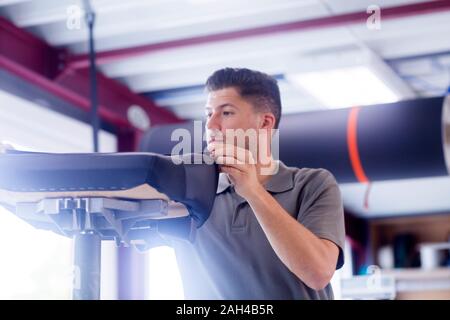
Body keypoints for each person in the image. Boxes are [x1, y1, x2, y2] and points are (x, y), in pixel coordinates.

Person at [170, 68, 345, 299]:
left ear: (264, 123)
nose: (211, 125)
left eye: (226, 113)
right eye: (208, 113)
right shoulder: (188, 193)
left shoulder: (312, 184)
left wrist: (252, 191)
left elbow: (318, 273)